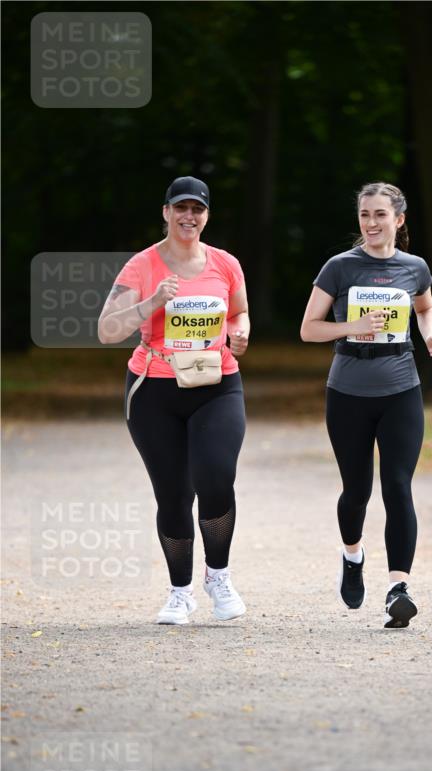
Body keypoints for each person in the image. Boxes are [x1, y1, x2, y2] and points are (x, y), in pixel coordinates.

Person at [98, 176, 250, 625]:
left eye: (197, 209)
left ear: (206, 215)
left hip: (216, 383)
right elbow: (107, 329)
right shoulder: (141, 266)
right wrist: (149, 303)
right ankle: (180, 592)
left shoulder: (225, 264)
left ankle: (218, 576)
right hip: (154, 388)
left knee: (216, 477)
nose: (189, 217)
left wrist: (241, 333)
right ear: (165, 212)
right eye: (180, 208)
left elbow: (239, 312)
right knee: (173, 493)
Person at [300, 181, 432, 628]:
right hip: (347, 391)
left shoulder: (414, 267)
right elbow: (309, 329)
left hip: (401, 388)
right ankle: (352, 555)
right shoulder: (339, 267)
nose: (371, 223)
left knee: (398, 486)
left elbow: (424, 308)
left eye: (380, 215)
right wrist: (352, 325)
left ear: (399, 220)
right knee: (357, 490)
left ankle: (398, 588)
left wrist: (431, 337)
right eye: (365, 215)